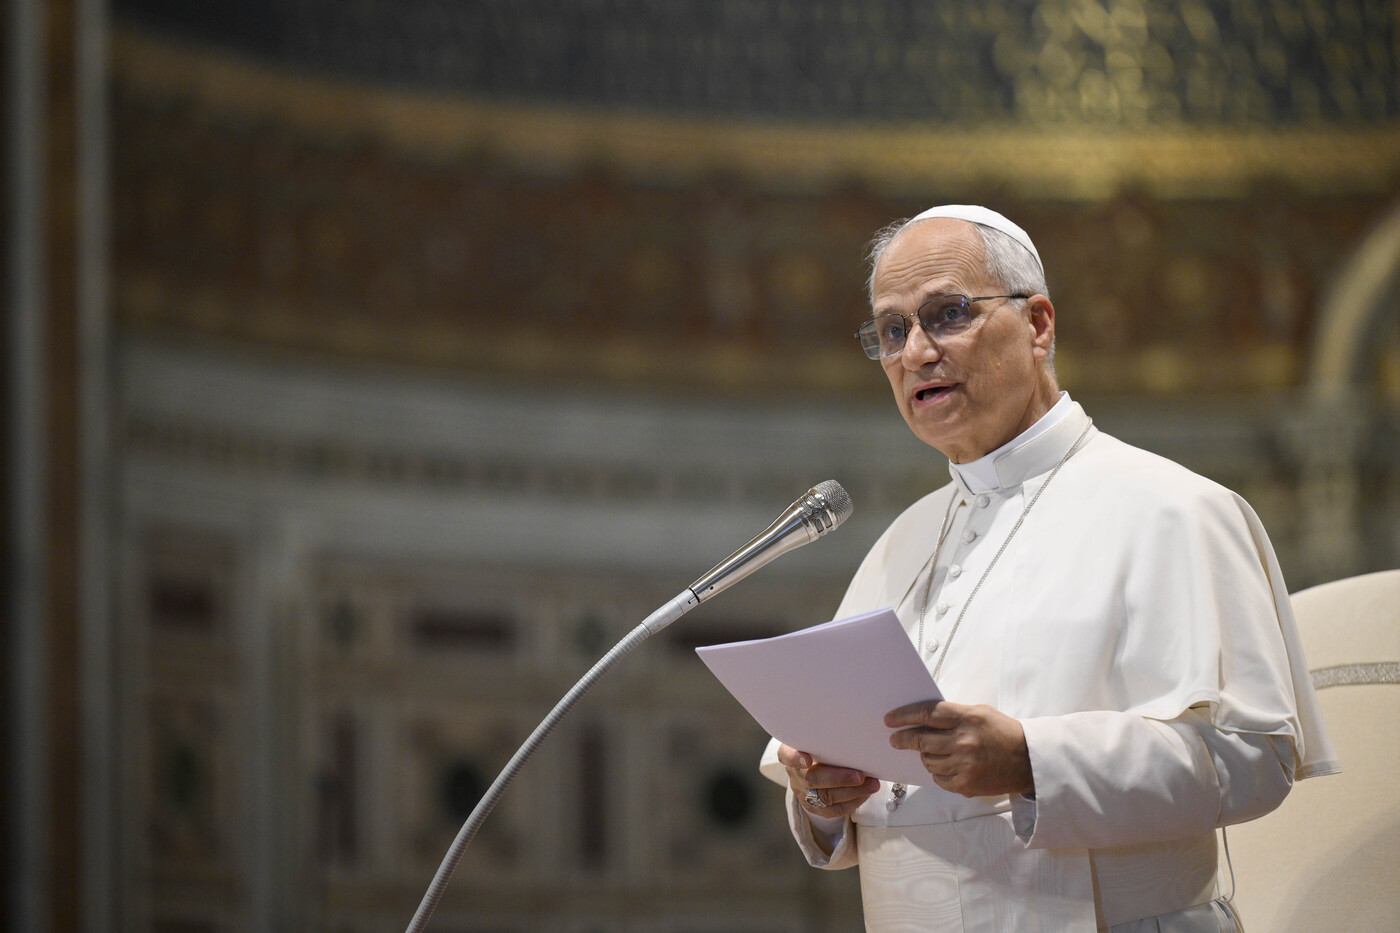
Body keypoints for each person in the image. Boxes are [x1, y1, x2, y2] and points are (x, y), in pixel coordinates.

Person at [758, 205, 1339, 932]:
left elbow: (1256, 757)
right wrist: (823, 793)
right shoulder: (901, 542)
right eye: (892, 330)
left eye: (947, 314)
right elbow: (858, 795)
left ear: (1037, 325)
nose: (915, 353)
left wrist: (1032, 760)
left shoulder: (1175, 508)